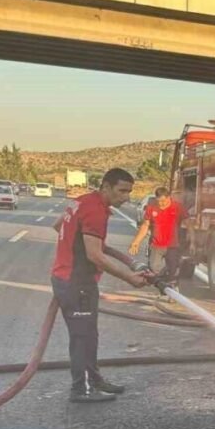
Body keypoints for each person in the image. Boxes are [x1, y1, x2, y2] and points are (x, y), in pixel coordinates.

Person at [52, 168, 149, 403]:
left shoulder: (83, 201)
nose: (126, 196)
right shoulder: (95, 210)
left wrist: (125, 259)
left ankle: (94, 380)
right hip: (76, 282)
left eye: (129, 191)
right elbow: (95, 255)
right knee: (82, 337)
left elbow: (59, 226)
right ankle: (81, 389)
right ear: (105, 186)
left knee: (89, 335)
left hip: (74, 280)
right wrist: (130, 278)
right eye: (122, 190)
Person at [129, 186, 188, 282]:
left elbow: (188, 224)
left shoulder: (177, 207)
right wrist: (136, 242)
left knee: (173, 272)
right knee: (154, 271)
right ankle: (162, 283)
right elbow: (145, 226)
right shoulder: (151, 208)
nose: (161, 204)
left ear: (169, 197)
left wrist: (192, 240)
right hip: (156, 245)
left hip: (172, 246)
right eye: (158, 201)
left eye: (163, 201)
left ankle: (172, 287)